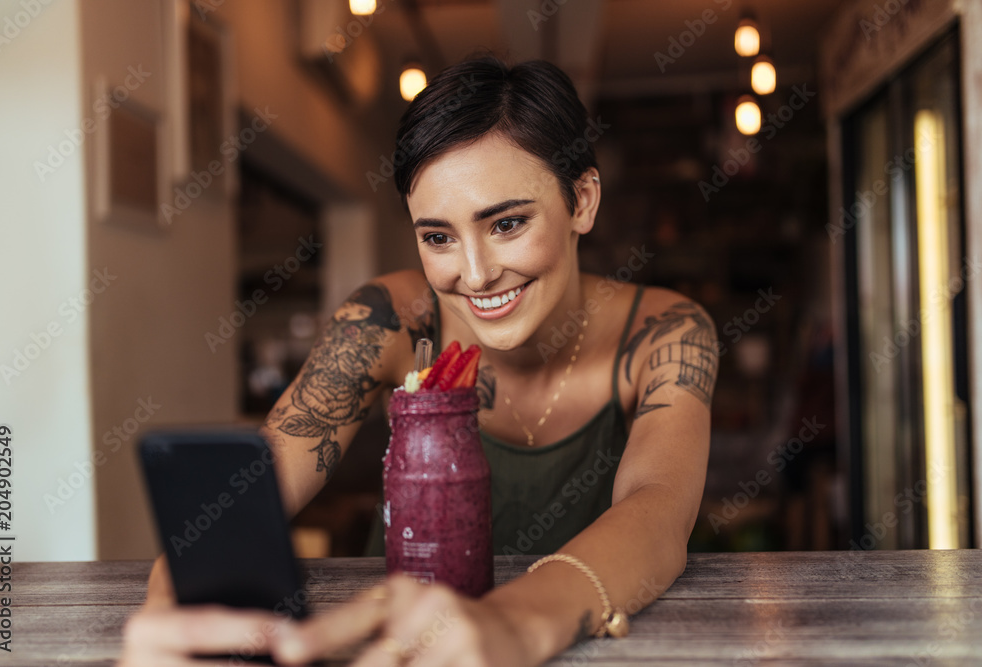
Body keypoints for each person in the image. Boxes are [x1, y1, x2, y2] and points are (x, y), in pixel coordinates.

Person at [120, 55, 716, 667]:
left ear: (583, 201)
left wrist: (512, 624)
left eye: (507, 223)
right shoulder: (389, 320)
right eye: (438, 237)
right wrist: (176, 605)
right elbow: (251, 491)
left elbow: (657, 509)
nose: (476, 274)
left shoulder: (664, 335)